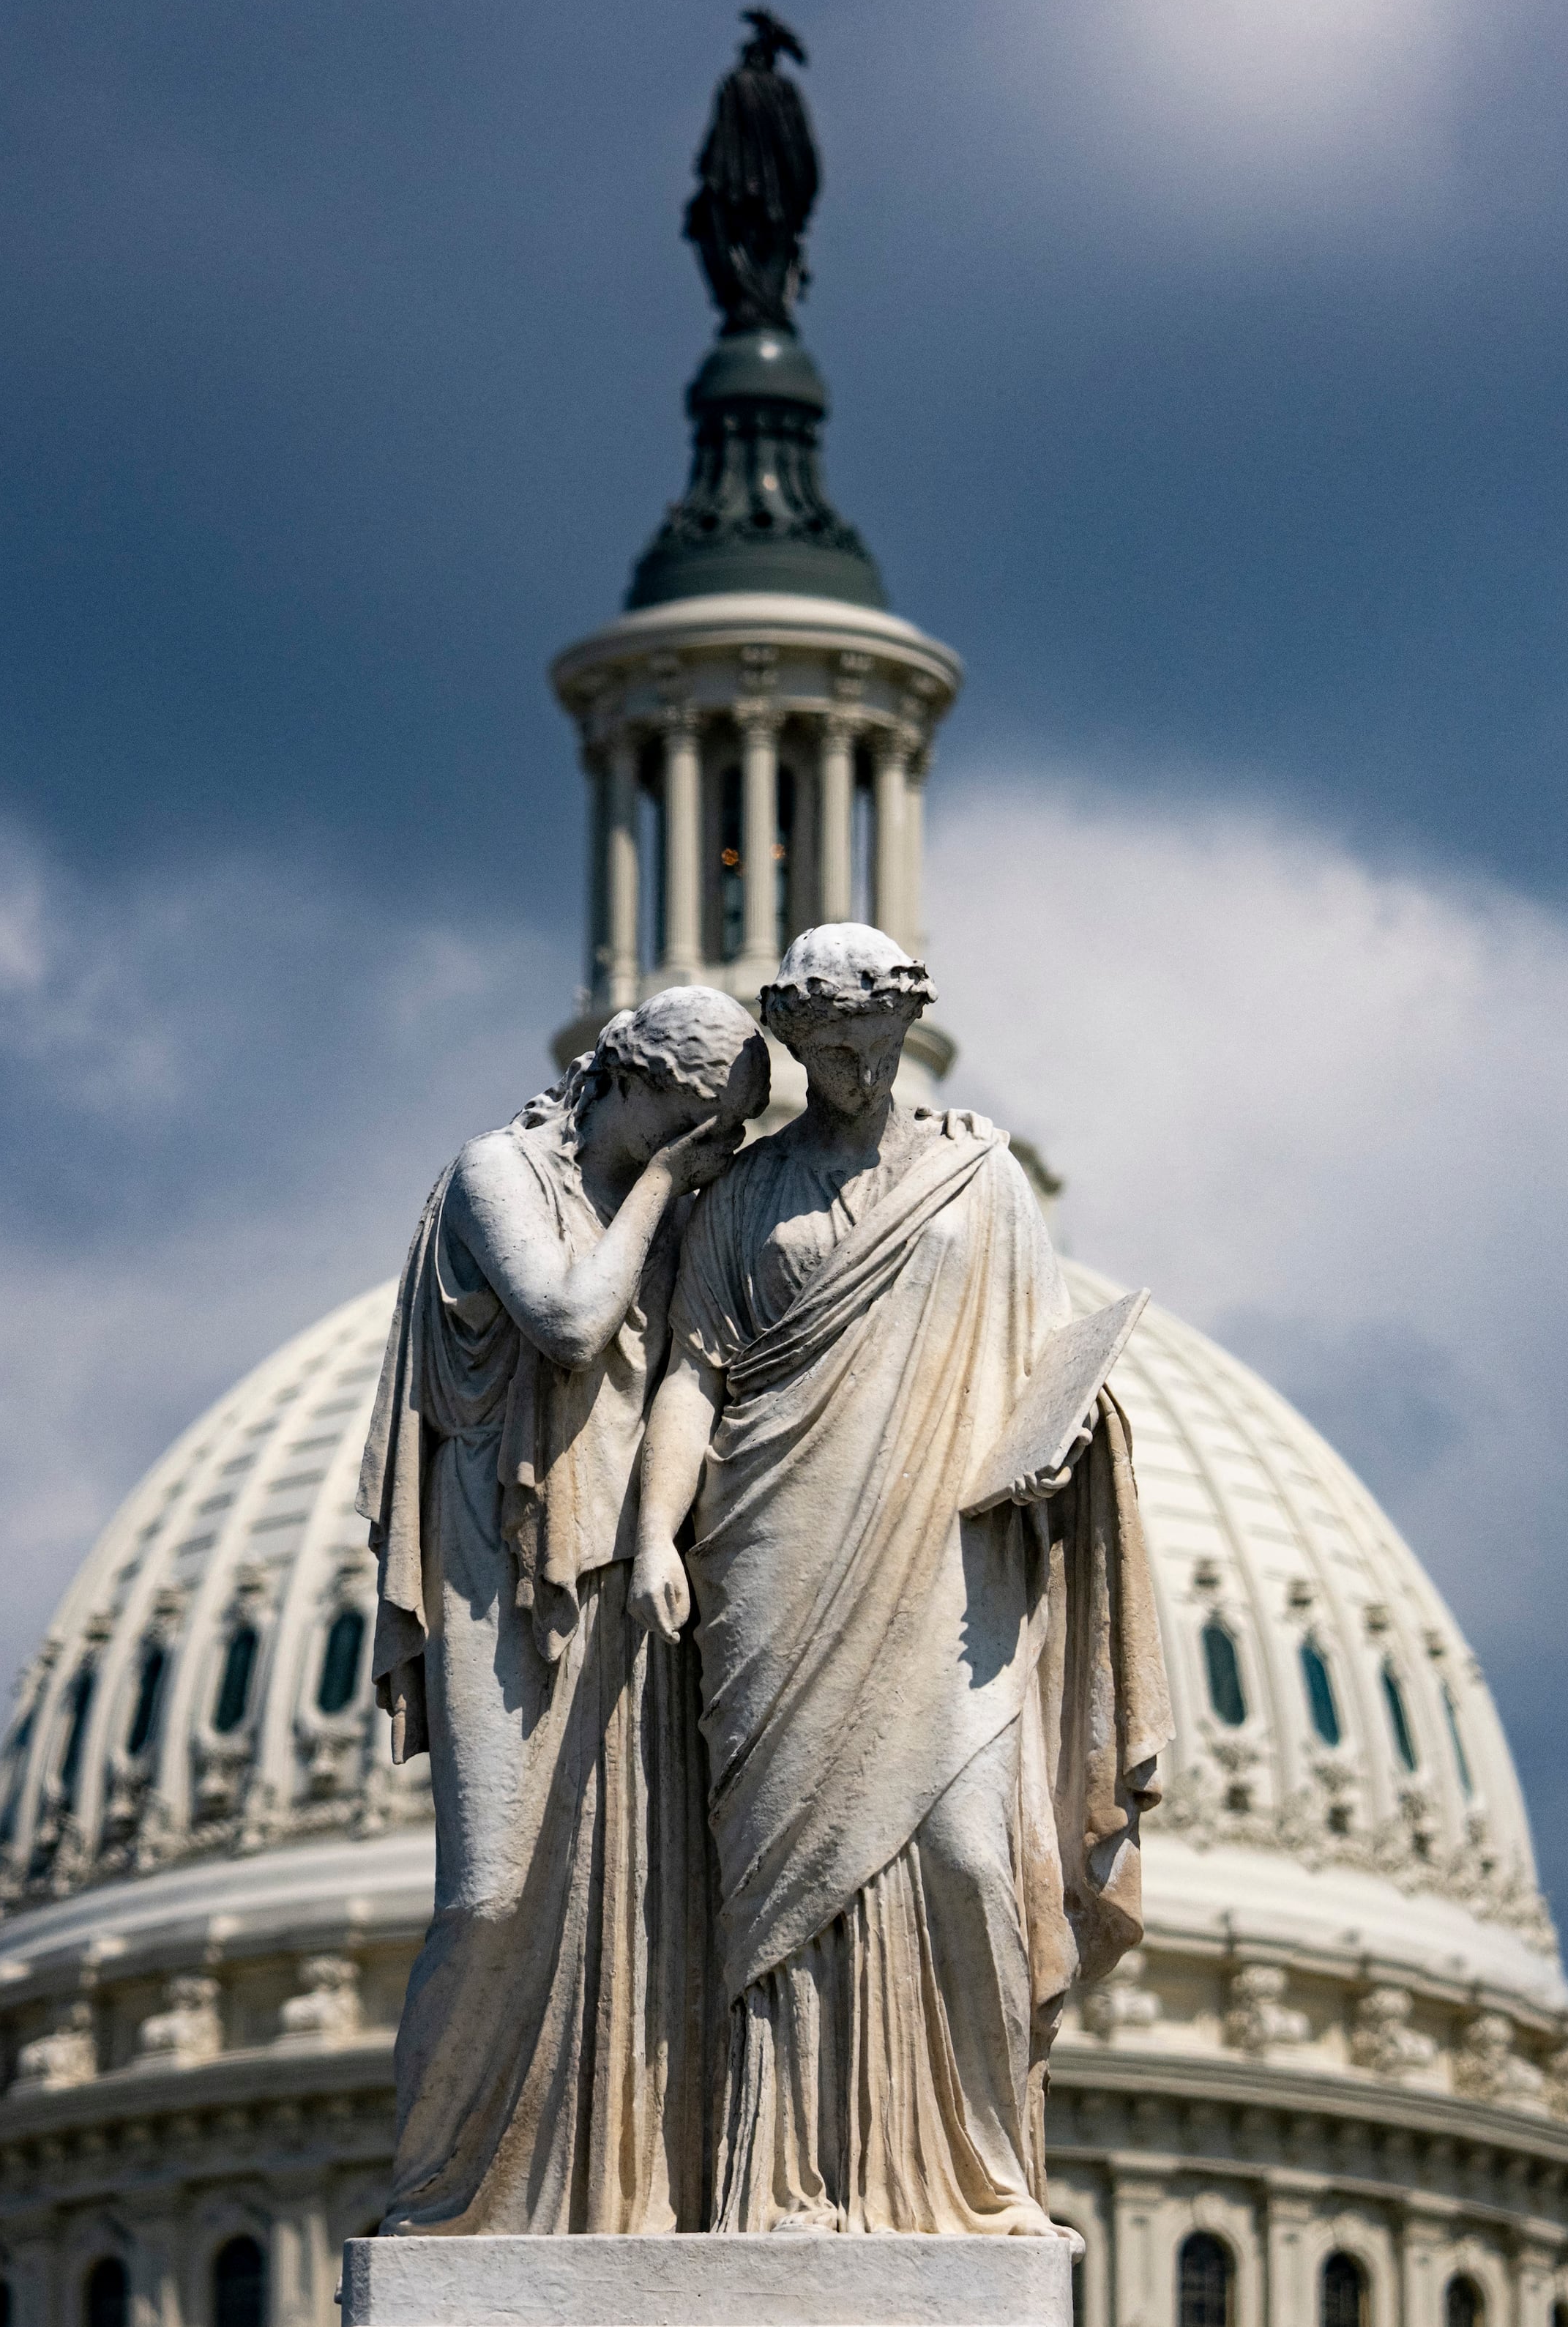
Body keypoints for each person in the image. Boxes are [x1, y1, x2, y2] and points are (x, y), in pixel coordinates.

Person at [632, 926, 1168, 2235]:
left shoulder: (984, 1179)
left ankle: (975, 2174)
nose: (857, 1073)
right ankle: (785, 2179)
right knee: (783, 1880)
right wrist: (651, 1536)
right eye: (831, 1053)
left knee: (971, 1855)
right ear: (794, 1046)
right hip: (771, 1554)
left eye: (874, 1047)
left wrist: (1069, 1443)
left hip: (949, 1563)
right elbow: (693, 1373)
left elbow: (1048, 1363)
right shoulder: (740, 1196)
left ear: (906, 1031)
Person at [361, 986, 764, 2235]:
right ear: (630, 1080)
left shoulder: (689, 1208)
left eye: (725, 1133)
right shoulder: (499, 1173)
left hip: (631, 1578)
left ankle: (619, 2191)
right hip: (497, 1564)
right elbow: (570, 1321)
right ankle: (439, 2196)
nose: (707, 1149)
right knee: (490, 1896)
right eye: (694, 1122)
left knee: (632, 1908)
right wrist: (671, 1184)